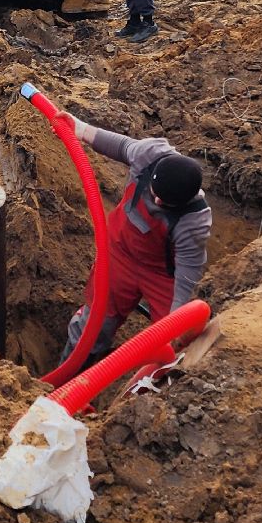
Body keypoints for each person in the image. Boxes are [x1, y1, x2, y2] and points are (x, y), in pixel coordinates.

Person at [55, 113, 211, 367]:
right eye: (155, 194)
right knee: (93, 326)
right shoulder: (150, 154)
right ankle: (67, 383)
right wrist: (80, 129)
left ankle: (148, 390)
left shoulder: (194, 223)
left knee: (176, 343)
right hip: (120, 252)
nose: (156, 202)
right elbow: (121, 145)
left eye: (165, 203)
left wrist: (173, 329)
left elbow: (186, 281)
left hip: (161, 274)